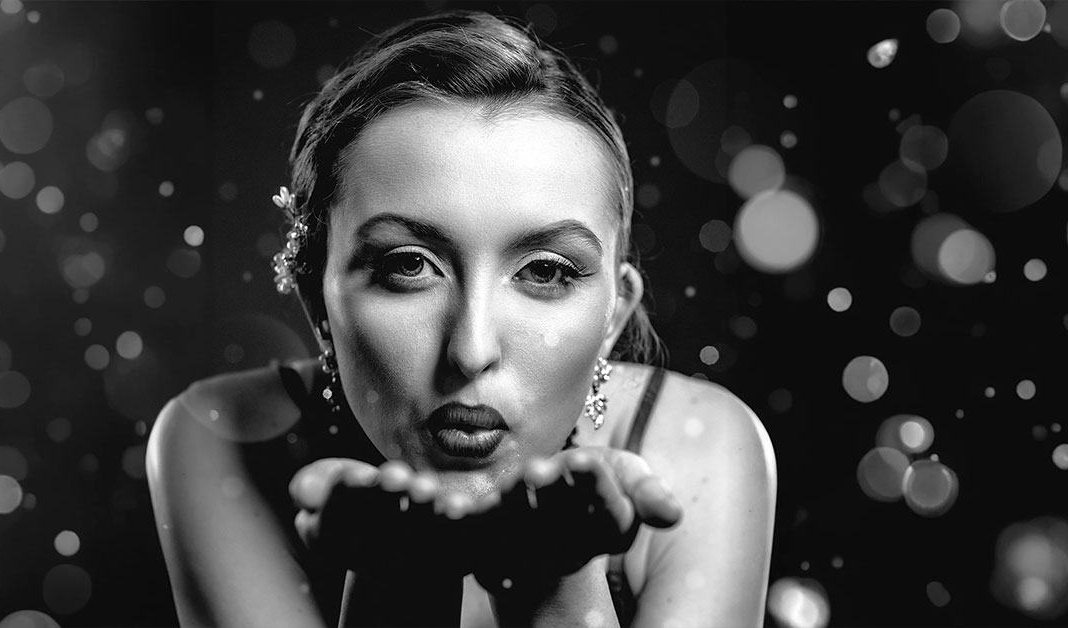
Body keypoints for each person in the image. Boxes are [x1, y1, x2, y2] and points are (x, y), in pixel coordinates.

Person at [146, 10, 776, 628]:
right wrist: (398, 584)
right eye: (408, 266)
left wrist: (557, 583)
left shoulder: (702, 451)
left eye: (547, 271)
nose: (471, 352)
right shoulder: (220, 441)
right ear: (318, 305)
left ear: (613, 317)